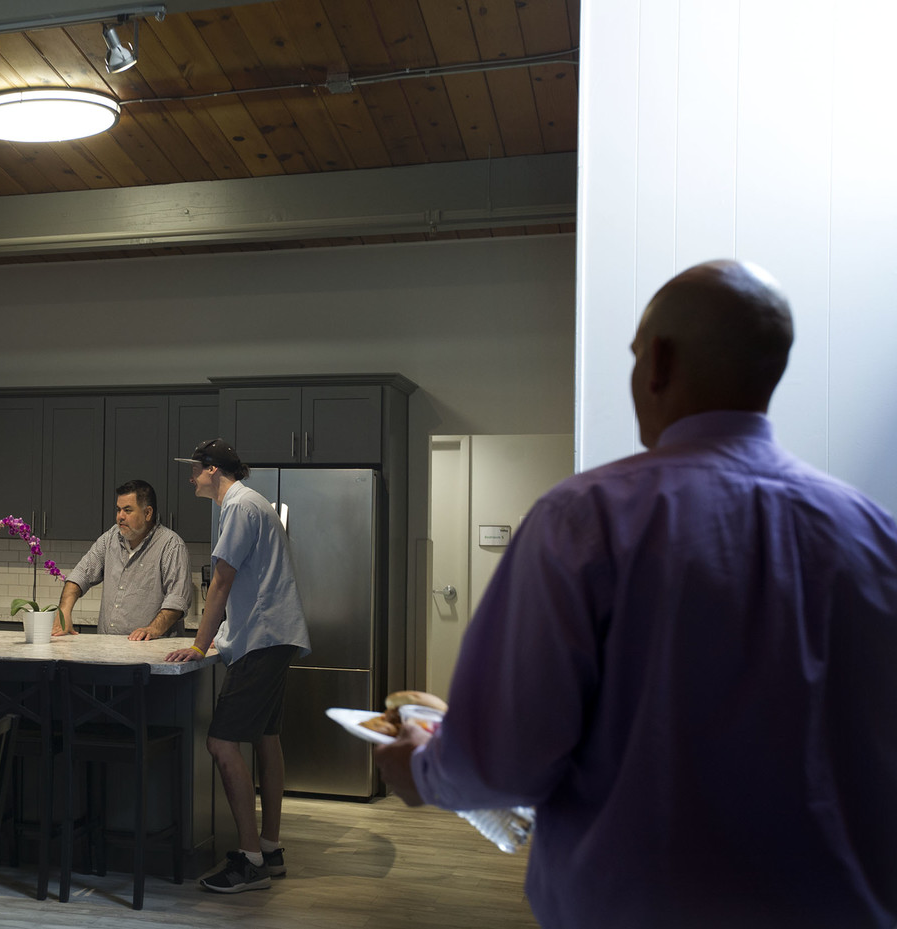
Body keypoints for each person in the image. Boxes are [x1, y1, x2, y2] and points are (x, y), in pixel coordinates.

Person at [375, 260, 897, 929]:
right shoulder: (875, 536)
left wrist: (418, 770)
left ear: (658, 362)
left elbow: (503, 757)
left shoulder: (584, 519)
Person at [165, 439, 311, 894]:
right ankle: (269, 848)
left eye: (195, 470)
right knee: (266, 739)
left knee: (221, 743)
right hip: (274, 636)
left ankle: (249, 862)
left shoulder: (238, 507)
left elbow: (221, 582)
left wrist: (199, 644)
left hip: (261, 639)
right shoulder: (253, 504)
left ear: (213, 470)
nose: (191, 478)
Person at [54, 479, 191, 639]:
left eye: (127, 510)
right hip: (109, 650)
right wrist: (64, 611)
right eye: (118, 510)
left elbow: (177, 599)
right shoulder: (110, 538)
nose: (120, 517)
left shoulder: (171, 545)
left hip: (151, 651)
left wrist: (153, 629)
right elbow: (80, 575)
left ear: (148, 513)